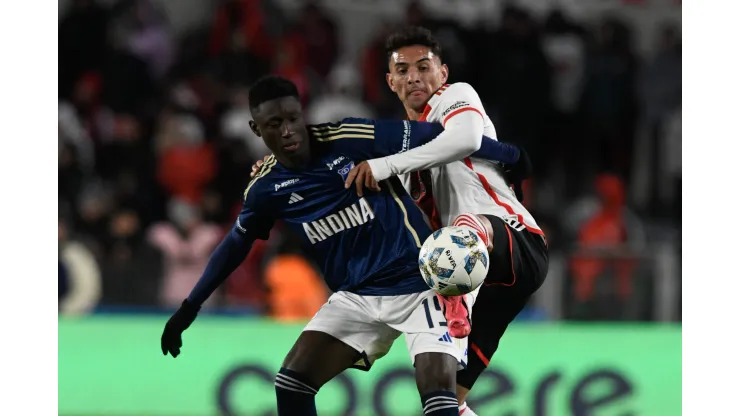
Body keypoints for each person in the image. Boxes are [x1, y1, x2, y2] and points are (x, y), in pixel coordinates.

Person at [160, 75, 520, 416]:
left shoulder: (350, 137)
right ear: (256, 129)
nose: (287, 131)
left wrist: (508, 154)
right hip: (357, 296)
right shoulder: (265, 188)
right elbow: (235, 245)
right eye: (274, 125)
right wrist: (190, 307)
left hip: (420, 285)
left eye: (292, 118)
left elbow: (438, 136)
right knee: (291, 383)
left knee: (438, 398)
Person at [347, 27, 550, 416]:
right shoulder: (401, 146)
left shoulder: (454, 98)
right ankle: (450, 291)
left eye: (424, 67)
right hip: (486, 286)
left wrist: (384, 165)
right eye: (403, 70)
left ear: (442, 72)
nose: (414, 77)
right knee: (450, 403)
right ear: (390, 82)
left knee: (461, 232)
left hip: (514, 242)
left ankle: (453, 292)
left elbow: (466, 140)